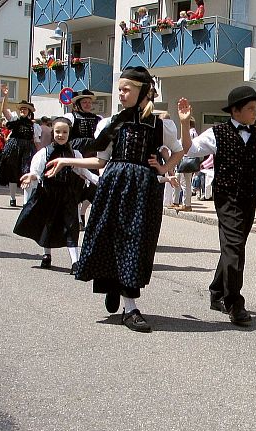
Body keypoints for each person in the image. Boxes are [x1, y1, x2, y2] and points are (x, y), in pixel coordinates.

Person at [45, 67, 184, 333]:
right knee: (114, 239)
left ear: (142, 91)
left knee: (135, 243)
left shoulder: (159, 124)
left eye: (125, 89)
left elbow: (178, 151)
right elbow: (101, 161)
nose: (120, 94)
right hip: (115, 186)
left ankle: (123, 296)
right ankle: (126, 302)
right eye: (119, 89)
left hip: (143, 190)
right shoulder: (112, 123)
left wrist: (164, 169)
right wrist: (66, 160)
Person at [176, 86, 256, 326]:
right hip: (227, 197)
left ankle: (217, 290)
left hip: (249, 196)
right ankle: (234, 303)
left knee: (234, 247)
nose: (255, 113)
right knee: (235, 247)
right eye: (250, 108)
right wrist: (185, 124)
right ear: (235, 111)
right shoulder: (216, 132)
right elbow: (188, 149)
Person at [13, 117, 98, 273]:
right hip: (48, 194)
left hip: (68, 195)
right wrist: (31, 176)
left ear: (69, 133)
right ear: (53, 132)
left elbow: (85, 172)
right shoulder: (44, 153)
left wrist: (101, 181)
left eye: (65, 132)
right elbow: (36, 172)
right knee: (49, 225)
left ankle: (75, 262)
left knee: (71, 227)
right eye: (58, 131)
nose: (61, 135)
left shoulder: (75, 154)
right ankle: (47, 256)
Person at [0, 85, 41, 206]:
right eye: (21, 109)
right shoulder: (14, 119)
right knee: (12, 174)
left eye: (25, 109)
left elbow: (37, 142)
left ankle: (26, 201)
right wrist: (5, 96)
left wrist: (41, 155)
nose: (23, 110)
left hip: (28, 150)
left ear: (29, 111)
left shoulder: (34, 126)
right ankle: (12, 198)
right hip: (13, 148)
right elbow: (4, 110)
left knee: (26, 172)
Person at [64, 90, 103, 229]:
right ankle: (76, 216)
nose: (87, 104)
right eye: (84, 102)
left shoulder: (98, 118)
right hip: (77, 153)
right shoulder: (71, 116)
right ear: (78, 104)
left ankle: (82, 212)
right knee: (76, 185)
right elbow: (64, 133)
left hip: (93, 155)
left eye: (89, 102)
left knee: (92, 186)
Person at [172, 117, 199, 212]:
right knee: (178, 180)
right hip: (183, 159)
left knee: (185, 183)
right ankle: (176, 202)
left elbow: (184, 145)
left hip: (186, 159)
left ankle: (187, 204)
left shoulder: (190, 133)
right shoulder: (192, 132)